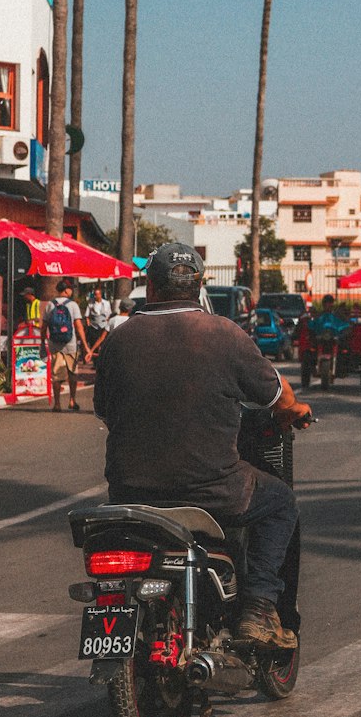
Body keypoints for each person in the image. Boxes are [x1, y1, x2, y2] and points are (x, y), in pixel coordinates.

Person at [94, 242, 313, 649]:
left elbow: (105, 412)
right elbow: (277, 397)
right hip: (212, 492)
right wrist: (296, 407)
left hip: (129, 493)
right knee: (280, 503)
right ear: (198, 288)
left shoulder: (118, 341)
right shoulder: (224, 334)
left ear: (150, 287)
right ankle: (259, 609)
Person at [41, 279, 88, 412]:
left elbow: (44, 326)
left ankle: (57, 404)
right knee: (72, 373)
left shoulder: (50, 305)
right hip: (70, 344)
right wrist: (85, 344)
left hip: (55, 344)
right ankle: (72, 400)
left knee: (56, 375)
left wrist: (42, 342)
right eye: (70, 289)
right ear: (66, 290)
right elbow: (78, 326)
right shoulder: (73, 305)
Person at [84, 300, 132, 364]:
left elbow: (102, 337)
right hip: (126, 352)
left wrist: (91, 351)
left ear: (120, 307)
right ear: (130, 310)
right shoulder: (131, 320)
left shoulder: (112, 320)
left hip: (113, 350)